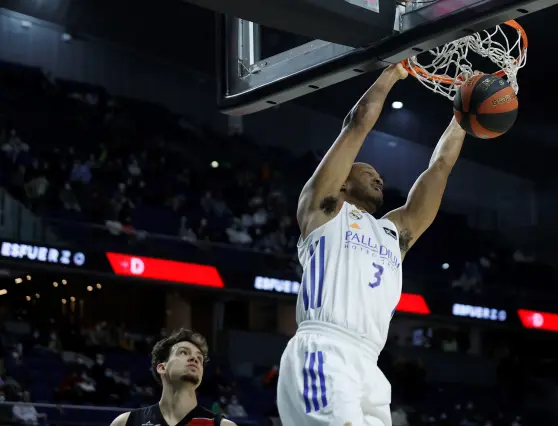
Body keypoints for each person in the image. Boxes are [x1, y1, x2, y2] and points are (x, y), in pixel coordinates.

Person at [277, 63, 467, 426]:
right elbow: (357, 124)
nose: (379, 177)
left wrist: (462, 117)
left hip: (369, 364)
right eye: (367, 172)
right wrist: (392, 72)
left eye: (379, 176)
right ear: (342, 182)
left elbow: (440, 167)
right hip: (324, 349)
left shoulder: (395, 233)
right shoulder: (323, 210)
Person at [110, 328, 236, 426]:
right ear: (162, 368)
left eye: (199, 358)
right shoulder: (126, 422)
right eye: (183, 352)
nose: (194, 359)